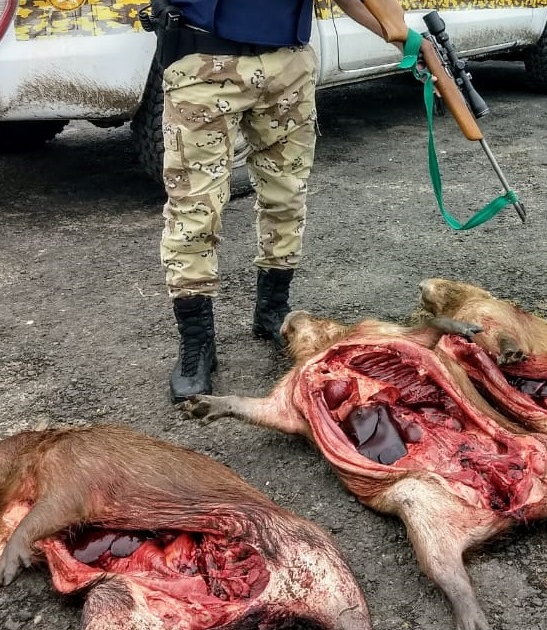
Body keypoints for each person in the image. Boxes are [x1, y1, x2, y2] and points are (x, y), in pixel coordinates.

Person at [150, 0, 403, 402]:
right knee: (195, 210)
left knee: (287, 196)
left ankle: (273, 310)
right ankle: (197, 342)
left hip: (288, 65)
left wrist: (402, 37)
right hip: (205, 59)